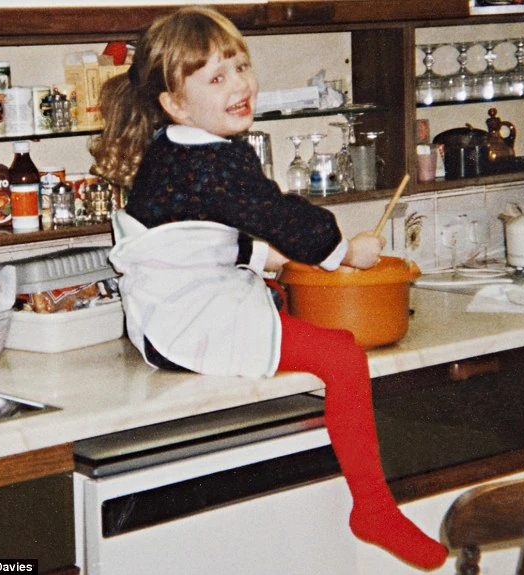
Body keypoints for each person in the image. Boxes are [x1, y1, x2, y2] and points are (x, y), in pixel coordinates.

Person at [90, 6, 448, 570]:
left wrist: (269, 260)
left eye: (240, 66)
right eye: (216, 78)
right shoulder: (214, 159)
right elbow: (280, 215)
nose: (239, 85)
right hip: (187, 322)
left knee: (285, 305)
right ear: (175, 103)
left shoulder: (178, 146)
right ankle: (373, 508)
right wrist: (344, 252)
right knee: (343, 356)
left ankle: (372, 504)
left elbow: (192, 238)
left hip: (167, 312)